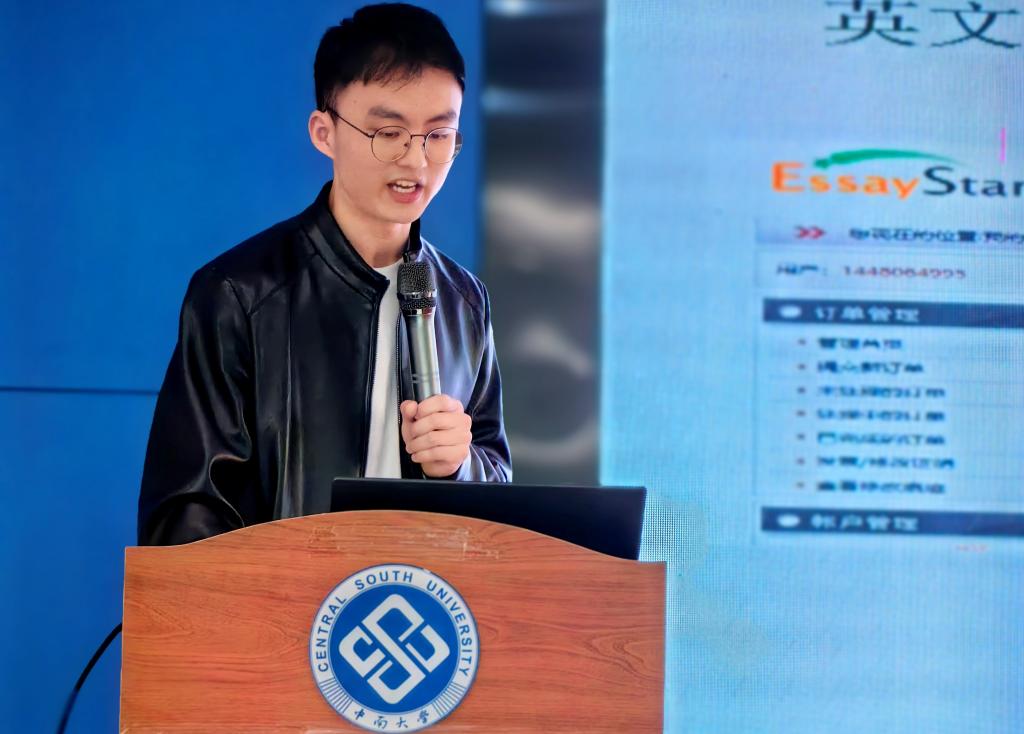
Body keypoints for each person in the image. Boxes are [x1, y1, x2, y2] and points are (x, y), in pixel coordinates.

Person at [137, 3, 511, 546]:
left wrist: (460, 465)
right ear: (324, 132)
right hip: (283, 597)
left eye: (438, 135)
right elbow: (186, 512)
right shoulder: (239, 293)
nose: (416, 162)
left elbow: (501, 493)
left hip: (424, 594)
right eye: (389, 132)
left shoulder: (464, 302)